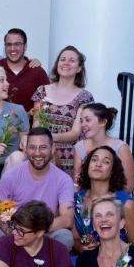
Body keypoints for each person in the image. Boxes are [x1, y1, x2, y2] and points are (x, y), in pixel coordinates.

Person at [0, 128, 76, 251]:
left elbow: (67, 219)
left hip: (43, 234)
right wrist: (14, 231)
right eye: (32, 147)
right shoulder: (11, 175)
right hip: (14, 234)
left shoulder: (63, 179)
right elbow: (0, 212)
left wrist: (32, 232)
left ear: (53, 149)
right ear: (26, 150)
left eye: (43, 147)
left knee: (64, 237)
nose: (37, 153)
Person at [29, 45, 94, 177]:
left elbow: (75, 133)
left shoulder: (85, 97)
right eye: (62, 59)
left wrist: (49, 140)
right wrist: (43, 143)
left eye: (72, 60)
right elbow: (36, 125)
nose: (66, 63)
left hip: (68, 151)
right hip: (41, 148)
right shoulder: (42, 91)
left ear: (79, 68)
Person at [73, 146, 134, 252]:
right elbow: (75, 240)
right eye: (94, 160)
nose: (98, 164)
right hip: (84, 261)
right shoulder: (77, 199)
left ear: (112, 171)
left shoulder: (126, 204)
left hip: (118, 264)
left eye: (106, 162)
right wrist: (82, 248)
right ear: (88, 165)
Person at [0, 28, 48, 114]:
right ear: (4, 46)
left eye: (17, 44)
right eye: (9, 44)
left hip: (30, 126)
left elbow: (46, 101)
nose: (12, 49)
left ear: (25, 46)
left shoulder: (37, 72)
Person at [73, 103, 134, 193]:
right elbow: (76, 183)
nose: (83, 124)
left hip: (115, 199)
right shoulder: (79, 147)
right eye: (81, 121)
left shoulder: (121, 148)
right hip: (87, 197)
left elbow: (128, 187)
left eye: (87, 120)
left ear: (103, 122)